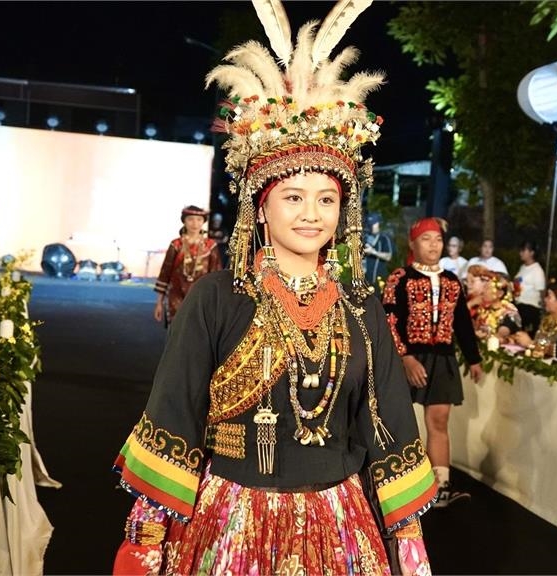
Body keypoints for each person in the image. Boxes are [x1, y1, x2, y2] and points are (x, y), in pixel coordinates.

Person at [112, 3, 435, 573]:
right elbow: (175, 413)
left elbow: (388, 428)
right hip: (231, 522)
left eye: (327, 199)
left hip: (339, 526)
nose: (311, 214)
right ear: (260, 208)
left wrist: (408, 547)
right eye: (293, 197)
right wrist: (148, 539)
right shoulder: (217, 298)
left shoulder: (361, 305)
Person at [383, 217, 483, 508]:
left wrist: (473, 358)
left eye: (437, 239)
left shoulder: (452, 281)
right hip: (407, 358)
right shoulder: (399, 278)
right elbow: (389, 320)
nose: (433, 245)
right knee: (397, 420)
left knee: (439, 422)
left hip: (442, 358)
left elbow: (462, 323)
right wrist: (405, 357)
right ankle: (395, 485)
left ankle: (440, 488)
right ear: (413, 244)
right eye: (426, 239)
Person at [153, 206, 222, 324]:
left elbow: (216, 276)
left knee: (197, 334)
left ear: (203, 222)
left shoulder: (210, 246)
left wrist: (216, 304)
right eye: (190, 219)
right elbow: (165, 272)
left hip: (201, 298)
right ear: (184, 221)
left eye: (199, 219)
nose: (195, 223)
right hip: (176, 297)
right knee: (176, 334)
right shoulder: (176, 245)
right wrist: (159, 303)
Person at [466, 265, 521, 346]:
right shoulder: (483, 309)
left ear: (500, 293)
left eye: (487, 288)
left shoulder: (510, 312)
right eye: (484, 287)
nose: (483, 291)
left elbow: (502, 334)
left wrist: (482, 336)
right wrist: (470, 304)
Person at [513, 239, 546, 336]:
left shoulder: (537, 271)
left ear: (532, 253)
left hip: (530, 309)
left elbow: (542, 292)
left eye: (524, 251)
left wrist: (543, 311)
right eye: (521, 250)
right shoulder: (523, 267)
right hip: (519, 306)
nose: (521, 253)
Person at [362, 212, 393, 286]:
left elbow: (388, 257)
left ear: (379, 224)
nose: (371, 226)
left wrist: (373, 252)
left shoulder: (384, 239)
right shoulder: (365, 238)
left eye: (373, 223)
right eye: (370, 224)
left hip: (379, 280)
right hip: (365, 280)